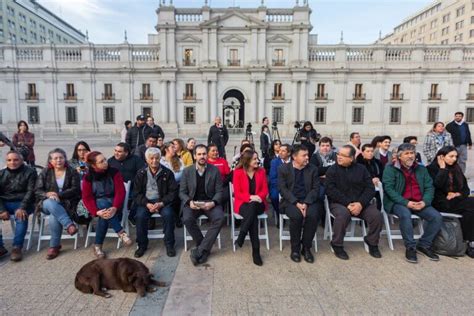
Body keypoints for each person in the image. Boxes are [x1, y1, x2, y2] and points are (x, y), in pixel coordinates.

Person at [383, 143, 443, 263]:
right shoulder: (391, 169)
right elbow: (389, 190)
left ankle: (424, 244)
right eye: (407, 153)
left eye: (412, 153)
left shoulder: (421, 169)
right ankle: (410, 247)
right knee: (405, 215)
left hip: (419, 202)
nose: (410, 156)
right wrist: (406, 202)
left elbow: (429, 187)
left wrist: (425, 202)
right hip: (398, 203)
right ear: (399, 156)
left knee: (436, 217)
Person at [325, 145, 383, 260]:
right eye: (338, 154)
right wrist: (348, 203)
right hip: (339, 203)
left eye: (343, 155)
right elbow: (330, 190)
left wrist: (360, 203)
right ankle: (337, 244)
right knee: (343, 215)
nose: (339, 157)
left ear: (351, 158)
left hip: (361, 203)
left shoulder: (361, 169)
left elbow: (370, 188)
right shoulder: (332, 170)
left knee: (376, 215)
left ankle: (372, 242)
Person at [180, 144, 225, 266]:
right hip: (193, 203)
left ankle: (199, 251)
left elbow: (220, 191)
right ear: (194, 156)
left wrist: (213, 202)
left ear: (207, 155)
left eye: (204, 154)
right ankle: (203, 249)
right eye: (199, 154)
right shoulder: (187, 171)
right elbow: (182, 192)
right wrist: (189, 202)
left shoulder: (214, 170)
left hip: (209, 202)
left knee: (220, 218)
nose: (202, 156)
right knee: (187, 219)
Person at [81, 151, 132, 258]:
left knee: (104, 211)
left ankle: (97, 246)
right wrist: (96, 211)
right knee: (102, 205)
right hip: (98, 208)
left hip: (115, 203)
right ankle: (121, 232)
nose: (106, 163)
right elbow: (87, 198)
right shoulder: (88, 177)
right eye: (101, 161)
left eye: (105, 159)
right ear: (94, 165)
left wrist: (114, 207)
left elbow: (120, 192)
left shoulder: (114, 172)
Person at [427, 146, 474, 258]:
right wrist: (443, 169)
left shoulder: (456, 168)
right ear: (441, 157)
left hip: (458, 200)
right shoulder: (431, 168)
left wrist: (457, 194)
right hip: (440, 202)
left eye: (456, 156)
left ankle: (469, 243)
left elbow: (466, 190)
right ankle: (470, 243)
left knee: (470, 213)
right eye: (451, 156)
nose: (454, 159)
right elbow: (436, 186)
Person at [278, 145, 322, 263]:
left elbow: (315, 189)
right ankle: (295, 249)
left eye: (307, 155)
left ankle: (306, 248)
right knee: (296, 216)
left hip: (309, 200)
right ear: (294, 157)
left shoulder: (312, 169)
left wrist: (306, 203)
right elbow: (283, 189)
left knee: (312, 215)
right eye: (304, 155)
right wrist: (296, 203)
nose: (307, 158)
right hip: (290, 201)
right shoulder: (283, 169)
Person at [35, 148, 80, 260]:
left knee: (53, 216)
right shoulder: (45, 172)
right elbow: (37, 190)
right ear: (50, 160)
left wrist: (58, 195)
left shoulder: (72, 171)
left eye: (61, 157)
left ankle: (54, 246)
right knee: (51, 202)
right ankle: (69, 225)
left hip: (66, 203)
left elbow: (76, 189)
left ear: (65, 159)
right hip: (46, 203)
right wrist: (47, 194)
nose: (58, 160)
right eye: (55, 158)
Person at [133, 148, 178, 258]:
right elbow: (136, 194)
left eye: (157, 158)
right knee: (140, 216)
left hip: (162, 201)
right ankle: (142, 245)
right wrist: (147, 204)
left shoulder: (167, 173)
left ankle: (169, 244)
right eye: (151, 158)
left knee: (168, 215)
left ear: (160, 159)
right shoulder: (141, 173)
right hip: (146, 202)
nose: (154, 161)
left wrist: (162, 203)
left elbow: (173, 192)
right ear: (146, 160)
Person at [233, 150, 268, 266]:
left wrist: (257, 197)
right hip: (243, 203)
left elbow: (265, 190)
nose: (257, 161)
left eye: (257, 158)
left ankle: (242, 235)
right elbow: (237, 193)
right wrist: (250, 197)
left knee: (252, 208)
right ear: (247, 161)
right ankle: (256, 252)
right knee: (252, 215)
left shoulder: (261, 171)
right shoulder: (237, 173)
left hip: (259, 202)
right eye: (254, 159)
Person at [0, 151, 37, 261]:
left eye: (16, 160)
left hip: (24, 201)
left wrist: (22, 207)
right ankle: (0, 247)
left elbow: (31, 192)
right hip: (5, 202)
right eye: (9, 160)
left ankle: (17, 247)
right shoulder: (1, 174)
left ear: (22, 161)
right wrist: (1, 210)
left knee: (21, 216)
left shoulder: (30, 172)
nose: (12, 162)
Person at [269, 144, 291, 226]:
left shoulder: (293, 162)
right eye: (279, 151)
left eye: (283, 151)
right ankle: (279, 214)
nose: (280, 153)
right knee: (274, 196)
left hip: (291, 187)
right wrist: (282, 188)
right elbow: (273, 178)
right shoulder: (274, 162)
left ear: (289, 153)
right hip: (278, 186)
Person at [357, 144, 384, 209]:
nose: (370, 153)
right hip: (363, 188)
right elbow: (358, 177)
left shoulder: (377, 162)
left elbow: (382, 174)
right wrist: (370, 180)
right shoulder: (357, 163)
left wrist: (378, 178)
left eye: (372, 151)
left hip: (378, 187)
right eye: (368, 151)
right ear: (362, 152)